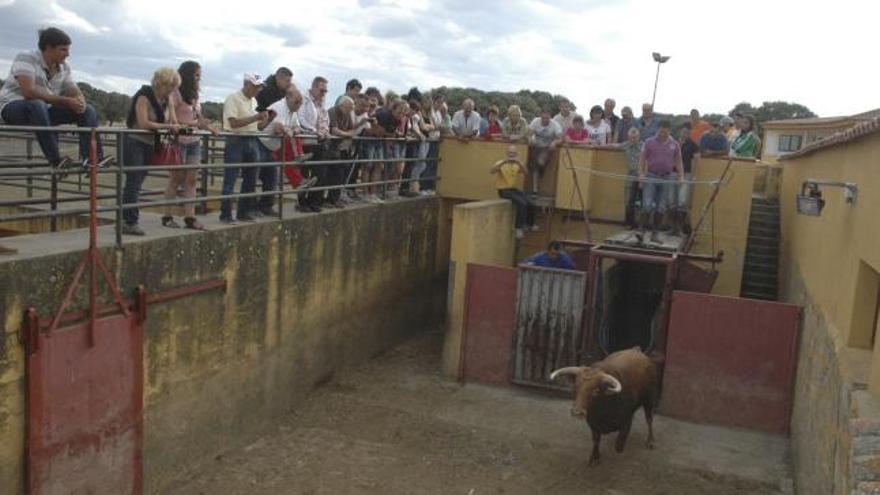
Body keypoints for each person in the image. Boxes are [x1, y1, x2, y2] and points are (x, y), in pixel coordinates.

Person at [0, 27, 107, 171]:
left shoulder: (64, 68)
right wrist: (65, 101)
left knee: (88, 110)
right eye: (63, 50)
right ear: (48, 48)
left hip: (43, 111)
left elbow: (74, 91)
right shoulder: (27, 57)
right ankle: (56, 160)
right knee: (36, 105)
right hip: (12, 107)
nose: (68, 54)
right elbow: (28, 92)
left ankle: (92, 159)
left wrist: (80, 102)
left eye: (68, 50)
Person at [121, 67, 181, 235]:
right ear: (160, 83)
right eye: (170, 86)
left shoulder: (167, 99)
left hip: (149, 143)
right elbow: (143, 123)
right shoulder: (144, 96)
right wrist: (168, 126)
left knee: (137, 182)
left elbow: (173, 121)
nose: (172, 90)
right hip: (135, 142)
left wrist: (177, 127)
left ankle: (127, 218)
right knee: (134, 182)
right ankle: (129, 221)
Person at [163, 61, 217, 231]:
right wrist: (195, 124)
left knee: (192, 180)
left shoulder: (194, 95)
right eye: (196, 75)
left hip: (194, 141)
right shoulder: (175, 93)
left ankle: (190, 217)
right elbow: (169, 120)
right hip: (179, 142)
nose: (199, 79)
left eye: (199, 75)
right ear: (187, 75)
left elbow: (197, 118)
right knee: (176, 179)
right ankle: (167, 215)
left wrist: (209, 127)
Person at [219, 73, 268, 224]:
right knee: (230, 179)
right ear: (246, 84)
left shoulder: (253, 100)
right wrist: (256, 118)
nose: (257, 89)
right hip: (236, 140)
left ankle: (243, 212)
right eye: (255, 86)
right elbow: (233, 123)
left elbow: (257, 126)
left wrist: (267, 119)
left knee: (251, 179)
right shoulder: (233, 98)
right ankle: (226, 214)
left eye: (259, 86)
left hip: (251, 138)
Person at [259, 84, 317, 194]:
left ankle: (299, 178)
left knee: (272, 179)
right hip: (263, 144)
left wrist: (294, 130)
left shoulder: (292, 110)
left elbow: (297, 127)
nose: (299, 105)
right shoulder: (279, 108)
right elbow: (278, 127)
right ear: (288, 98)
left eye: (300, 103)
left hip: (274, 144)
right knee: (259, 179)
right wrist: (289, 130)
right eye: (297, 102)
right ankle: (298, 161)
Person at [639, 120, 683, 242]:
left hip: (667, 178)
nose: (663, 133)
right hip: (651, 176)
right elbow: (642, 159)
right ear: (657, 129)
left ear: (669, 131)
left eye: (665, 131)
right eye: (661, 131)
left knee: (661, 207)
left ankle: (655, 234)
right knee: (647, 204)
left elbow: (679, 161)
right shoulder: (648, 142)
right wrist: (641, 174)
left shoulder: (675, 144)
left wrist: (681, 176)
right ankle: (641, 231)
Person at [297, 76, 331, 212]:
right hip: (306, 141)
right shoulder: (304, 100)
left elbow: (325, 119)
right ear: (314, 87)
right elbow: (301, 118)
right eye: (322, 90)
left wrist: (325, 130)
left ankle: (315, 201)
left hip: (319, 142)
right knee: (305, 174)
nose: (324, 94)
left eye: (325, 91)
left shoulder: (322, 103)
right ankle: (302, 202)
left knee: (319, 173)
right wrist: (314, 131)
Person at [490, 145, 536, 239]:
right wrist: (504, 161)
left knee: (531, 203)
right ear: (507, 153)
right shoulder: (501, 163)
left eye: (514, 154)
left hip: (513, 189)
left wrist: (519, 163)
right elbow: (492, 171)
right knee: (522, 203)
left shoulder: (516, 164)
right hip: (503, 190)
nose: (512, 155)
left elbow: (526, 173)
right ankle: (518, 228)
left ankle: (529, 224)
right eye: (510, 153)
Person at [327, 95, 359, 207]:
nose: (350, 110)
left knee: (342, 173)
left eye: (351, 108)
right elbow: (334, 130)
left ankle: (335, 197)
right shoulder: (332, 111)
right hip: (330, 147)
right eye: (348, 108)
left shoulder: (347, 113)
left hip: (342, 148)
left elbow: (352, 128)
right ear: (341, 105)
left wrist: (346, 133)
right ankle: (331, 199)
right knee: (334, 173)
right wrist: (347, 134)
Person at [527, 109, 563, 191]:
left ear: (550, 117)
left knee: (540, 162)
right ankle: (535, 189)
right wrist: (531, 138)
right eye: (543, 118)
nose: (545, 120)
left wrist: (555, 142)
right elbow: (529, 133)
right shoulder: (535, 121)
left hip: (547, 148)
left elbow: (560, 138)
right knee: (534, 166)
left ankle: (540, 172)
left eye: (547, 118)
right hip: (536, 146)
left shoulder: (555, 124)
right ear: (540, 116)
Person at [676, 123, 700, 236]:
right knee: (671, 202)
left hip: (686, 174)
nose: (686, 134)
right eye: (685, 132)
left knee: (682, 202)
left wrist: (694, 176)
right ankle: (676, 228)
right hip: (672, 174)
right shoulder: (673, 142)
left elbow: (697, 161)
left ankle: (683, 229)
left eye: (688, 133)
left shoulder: (693, 145)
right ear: (680, 131)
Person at [616, 127, 642, 229]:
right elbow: (614, 145)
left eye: (635, 138)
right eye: (631, 138)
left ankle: (640, 223)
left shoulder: (644, 146)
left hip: (643, 174)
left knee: (641, 200)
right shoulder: (626, 145)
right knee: (628, 199)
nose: (633, 140)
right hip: (631, 174)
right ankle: (628, 222)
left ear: (638, 137)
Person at [419, 93, 442, 196]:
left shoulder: (433, 113)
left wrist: (432, 126)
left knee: (432, 165)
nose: (430, 103)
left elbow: (434, 126)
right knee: (425, 164)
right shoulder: (423, 112)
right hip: (428, 140)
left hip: (434, 140)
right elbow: (427, 126)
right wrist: (432, 126)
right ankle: (423, 187)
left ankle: (429, 186)